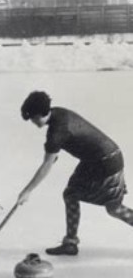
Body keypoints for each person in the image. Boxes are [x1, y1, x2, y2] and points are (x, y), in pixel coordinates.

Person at [18, 91, 133, 255]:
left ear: (40, 114)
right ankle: (70, 243)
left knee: (113, 207)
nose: (33, 122)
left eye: (33, 118)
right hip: (97, 160)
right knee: (71, 194)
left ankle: (71, 242)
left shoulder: (56, 132)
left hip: (106, 163)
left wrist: (27, 191)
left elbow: (46, 166)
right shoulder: (57, 112)